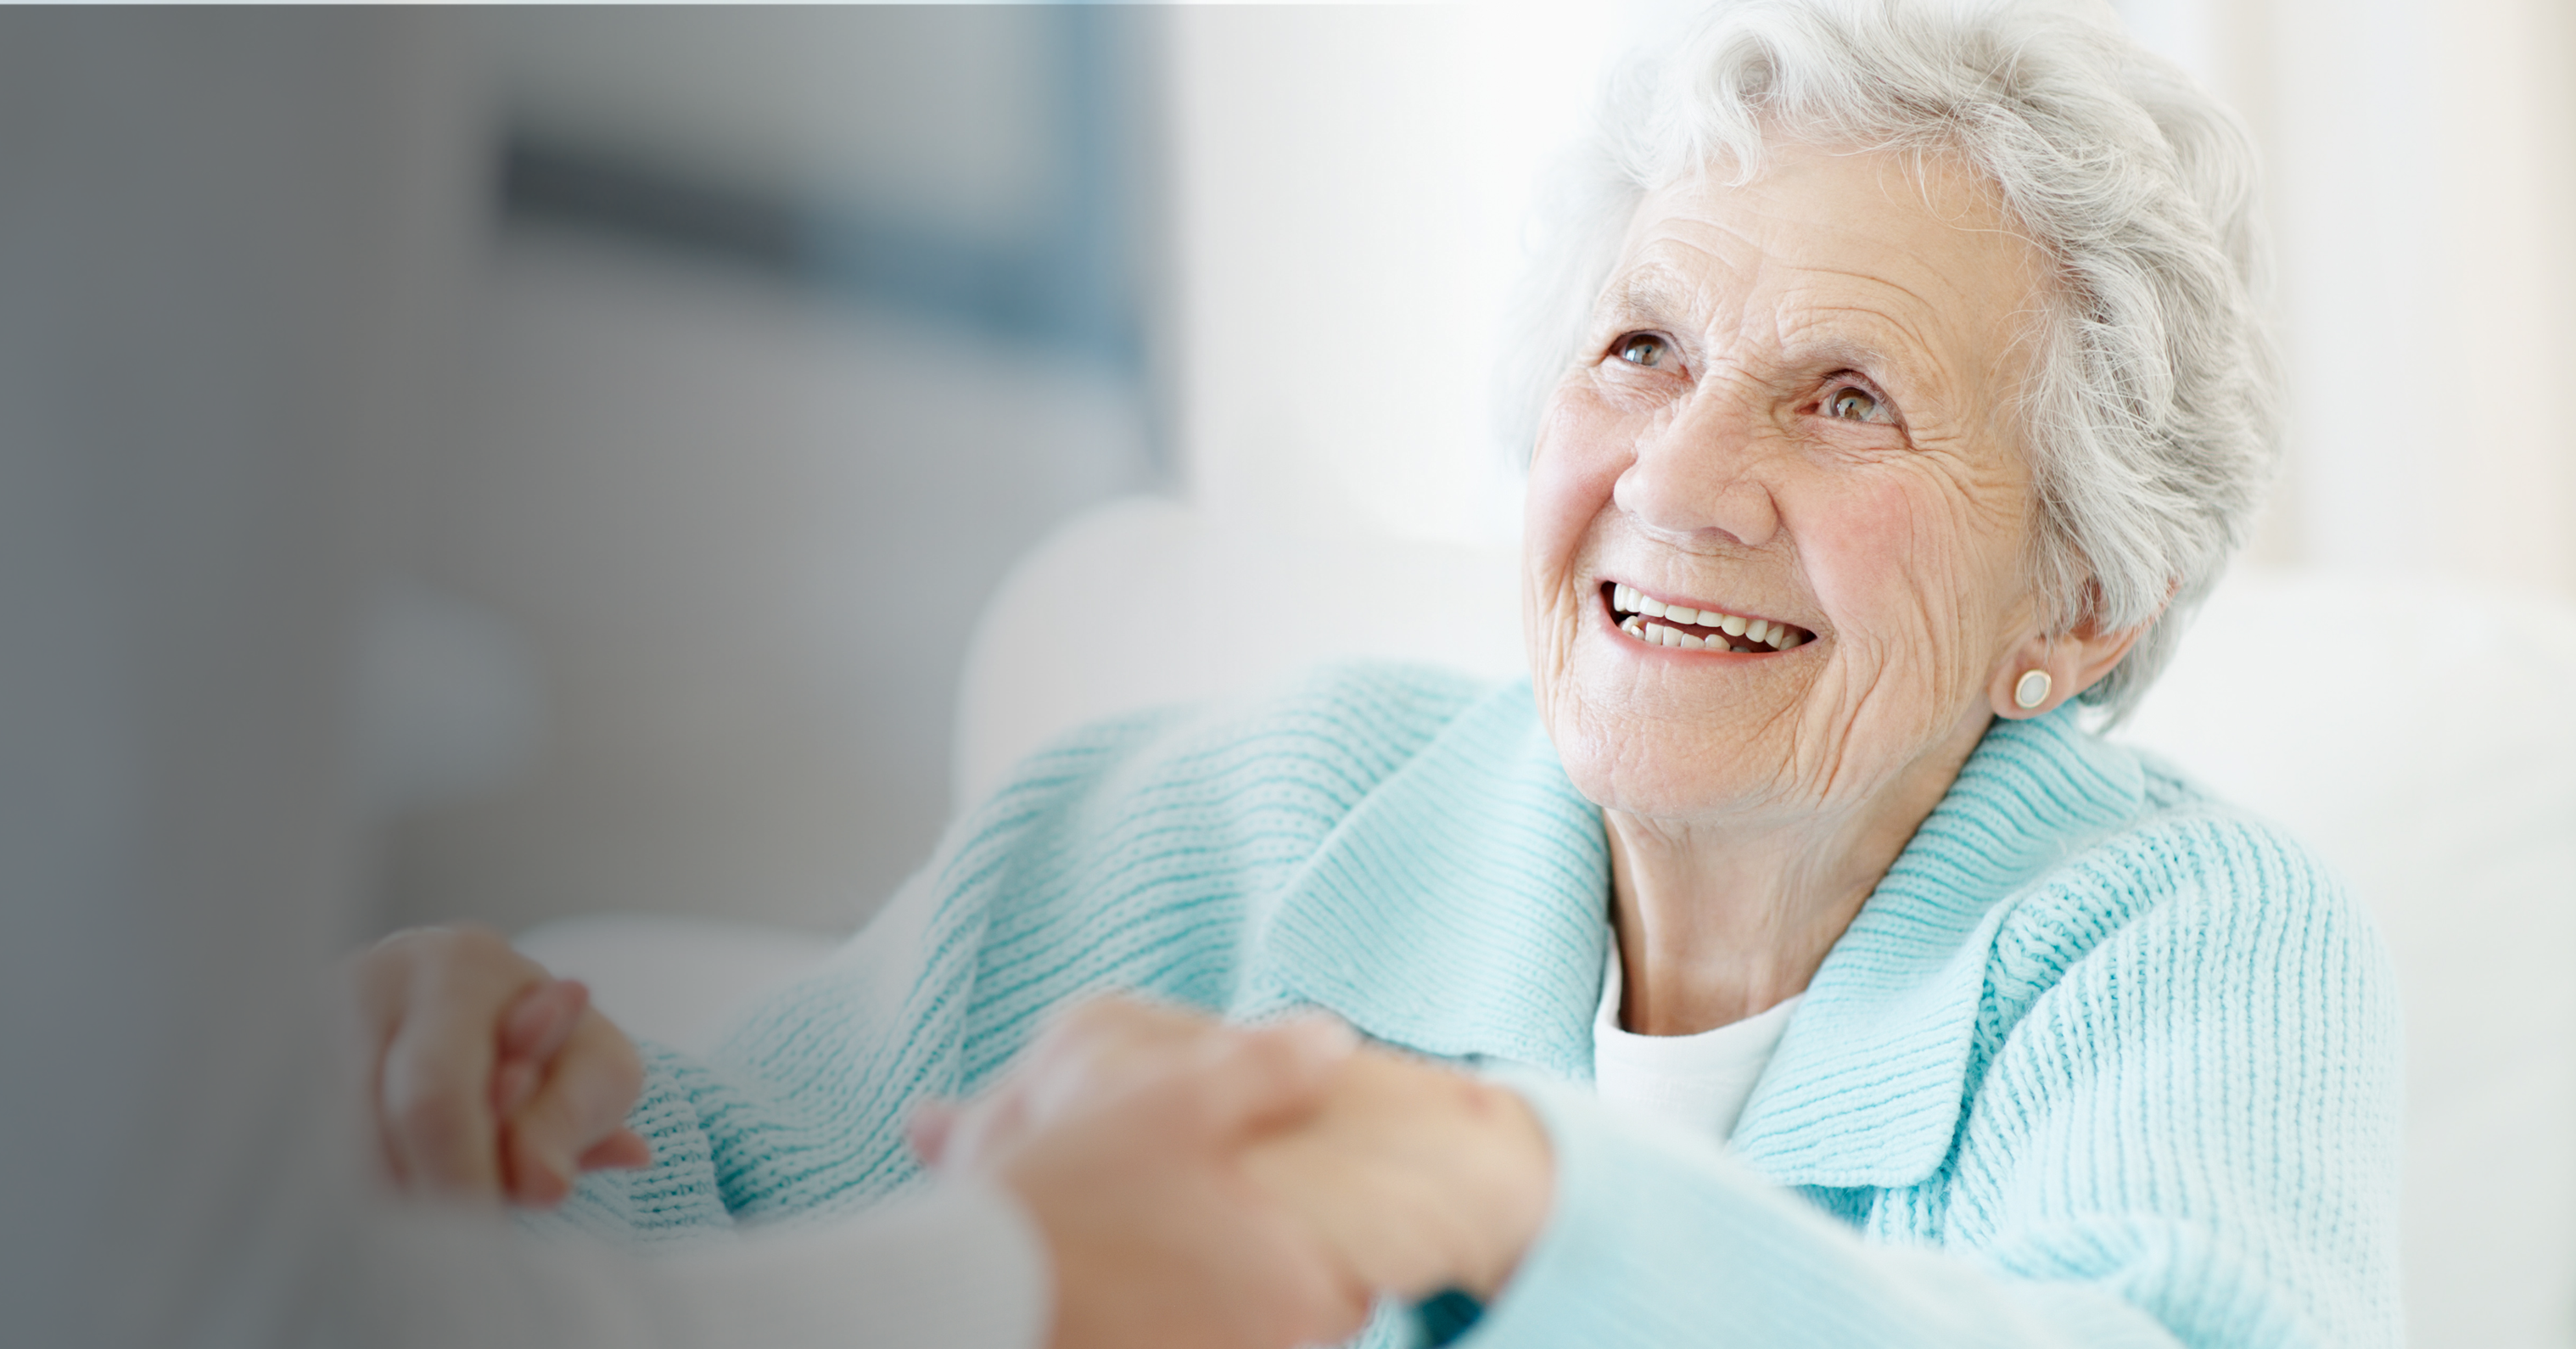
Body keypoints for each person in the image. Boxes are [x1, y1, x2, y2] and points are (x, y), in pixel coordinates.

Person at [353, 0, 2400, 1344]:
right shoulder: (1203, 829)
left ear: (2078, 606)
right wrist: (477, 1093)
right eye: (1639, 351)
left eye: (1846, 399)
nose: (1677, 479)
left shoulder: (2170, 944)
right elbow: (706, 1194)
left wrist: (1510, 1195)